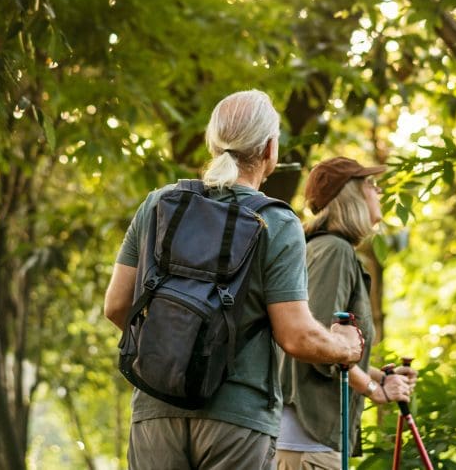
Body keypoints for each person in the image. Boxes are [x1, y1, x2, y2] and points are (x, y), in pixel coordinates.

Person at [104, 90, 364, 470]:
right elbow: (296, 336)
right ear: (270, 149)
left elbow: (116, 307)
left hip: (155, 409)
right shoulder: (276, 221)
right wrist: (345, 348)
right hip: (238, 417)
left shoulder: (159, 205)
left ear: (214, 142)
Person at [276, 156, 416, 470]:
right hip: (308, 445)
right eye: (371, 185)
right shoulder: (333, 251)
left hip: (303, 443)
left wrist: (383, 376)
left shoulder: (320, 249)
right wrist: (374, 389)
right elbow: (319, 343)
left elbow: (336, 348)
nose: (379, 192)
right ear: (349, 195)